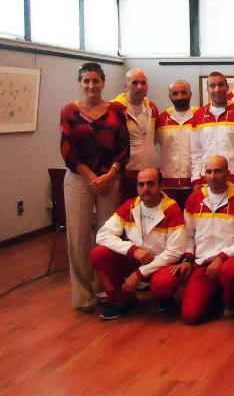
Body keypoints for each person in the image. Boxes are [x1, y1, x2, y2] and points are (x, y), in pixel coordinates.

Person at [61, 62, 129, 313]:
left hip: (110, 179)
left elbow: (123, 149)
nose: (91, 85)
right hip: (80, 179)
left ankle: (106, 289)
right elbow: (67, 150)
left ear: (103, 82)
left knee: (107, 236)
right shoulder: (69, 111)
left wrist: (109, 176)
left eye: (96, 80)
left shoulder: (116, 111)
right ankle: (83, 294)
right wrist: (92, 177)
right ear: (80, 83)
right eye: (86, 81)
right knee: (78, 238)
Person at [91, 168, 185, 320]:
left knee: (163, 284)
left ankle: (164, 298)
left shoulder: (172, 210)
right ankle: (122, 301)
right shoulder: (129, 206)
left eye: (150, 184)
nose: (145, 189)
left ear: (161, 185)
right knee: (99, 253)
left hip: (161, 264)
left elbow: (174, 252)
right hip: (135, 259)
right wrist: (132, 250)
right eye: (141, 184)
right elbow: (102, 234)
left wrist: (138, 274)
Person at [179, 155, 234, 324]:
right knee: (190, 317)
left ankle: (230, 297)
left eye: (218, 171)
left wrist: (222, 256)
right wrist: (188, 258)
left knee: (231, 271)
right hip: (202, 263)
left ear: (228, 174)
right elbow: (189, 235)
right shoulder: (193, 199)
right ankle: (214, 295)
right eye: (209, 171)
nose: (213, 176)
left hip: (229, 261)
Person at [190, 72, 234, 192]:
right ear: (207, 89)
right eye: (212, 86)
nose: (217, 89)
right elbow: (196, 152)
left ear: (227, 87)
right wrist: (196, 179)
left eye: (221, 85)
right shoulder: (198, 115)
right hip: (207, 181)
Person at [112, 69, 159, 201]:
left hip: (147, 172)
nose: (139, 87)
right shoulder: (114, 109)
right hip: (124, 174)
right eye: (135, 83)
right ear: (125, 86)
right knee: (126, 214)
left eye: (143, 83)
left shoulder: (152, 108)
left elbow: (153, 138)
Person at [156, 80, 198, 206]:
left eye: (183, 92)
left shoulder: (200, 116)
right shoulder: (161, 119)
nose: (179, 97)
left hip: (194, 183)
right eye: (175, 93)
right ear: (169, 96)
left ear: (190, 94)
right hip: (168, 185)